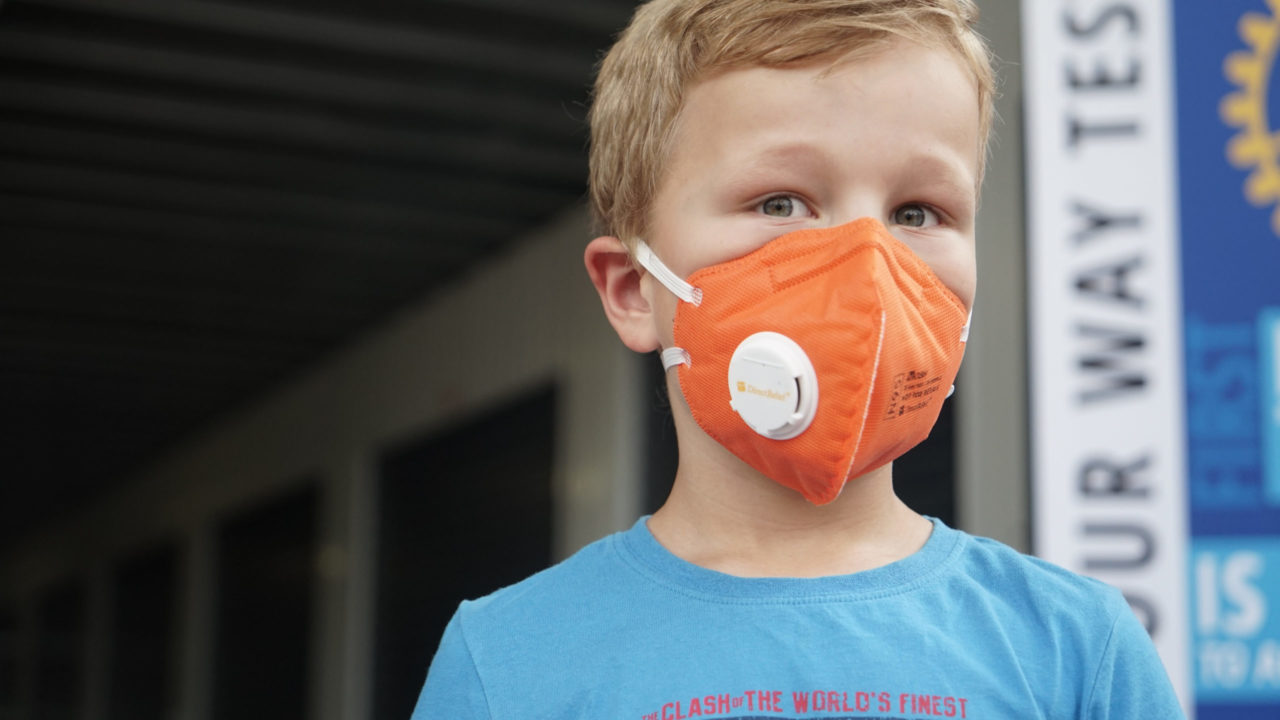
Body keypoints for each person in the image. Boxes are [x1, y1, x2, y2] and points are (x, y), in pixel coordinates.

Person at [413, 0, 1185, 717]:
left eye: (918, 212)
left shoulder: (1077, 650)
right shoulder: (506, 663)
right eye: (781, 203)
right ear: (632, 289)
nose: (867, 263)